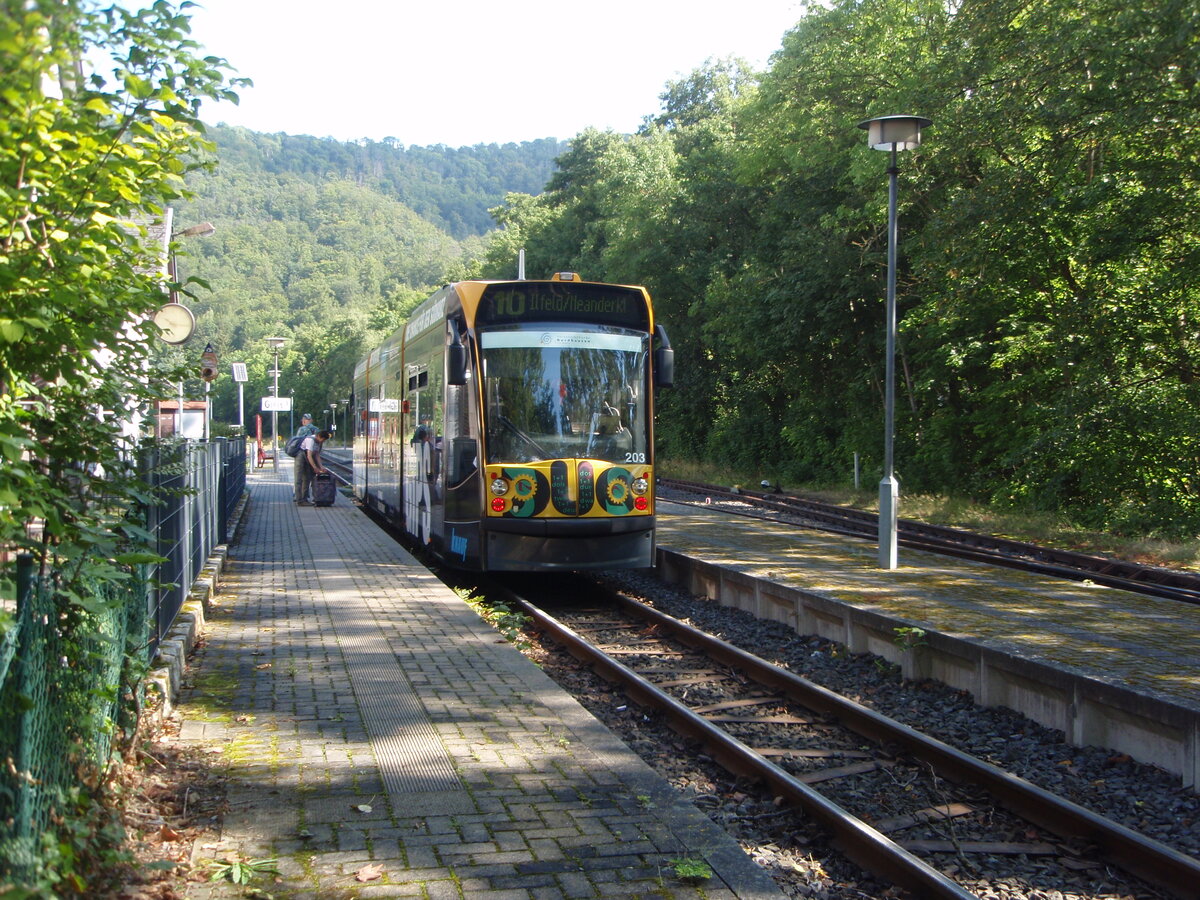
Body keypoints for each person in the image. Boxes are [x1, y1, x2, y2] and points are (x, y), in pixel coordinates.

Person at [296, 429, 331, 506]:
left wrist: (321, 467)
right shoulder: (310, 440)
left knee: (307, 478)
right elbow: (309, 455)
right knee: (299, 479)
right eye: (322, 439)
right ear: (318, 436)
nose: (322, 441)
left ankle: (305, 499)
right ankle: (299, 500)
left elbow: (316, 455)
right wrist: (315, 467)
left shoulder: (319, 442)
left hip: (309, 457)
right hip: (301, 456)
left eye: (324, 440)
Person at [292, 413, 318, 503]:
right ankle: (306, 497)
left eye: (304, 420)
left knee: (298, 477)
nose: (303, 421)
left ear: (307, 420)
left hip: (300, 454)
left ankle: (298, 497)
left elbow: (297, 441)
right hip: (310, 454)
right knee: (308, 477)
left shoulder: (301, 429)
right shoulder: (316, 429)